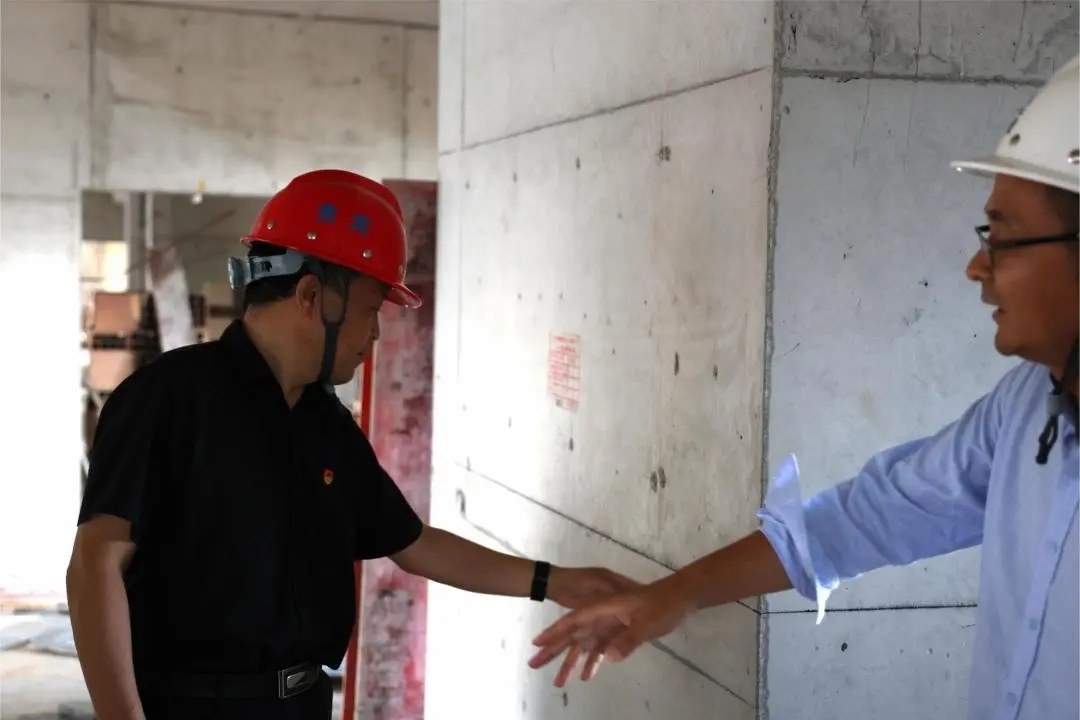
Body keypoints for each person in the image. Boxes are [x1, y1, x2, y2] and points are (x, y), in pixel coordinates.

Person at [528, 56, 1079, 720]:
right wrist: (675, 594)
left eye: (1005, 240)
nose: (975, 266)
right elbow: (869, 516)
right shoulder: (1024, 410)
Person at [67, 169, 640, 720]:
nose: (376, 332)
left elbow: (414, 544)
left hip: (301, 704)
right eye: (370, 308)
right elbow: (95, 566)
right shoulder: (165, 401)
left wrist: (554, 582)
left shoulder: (326, 427)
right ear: (312, 295)